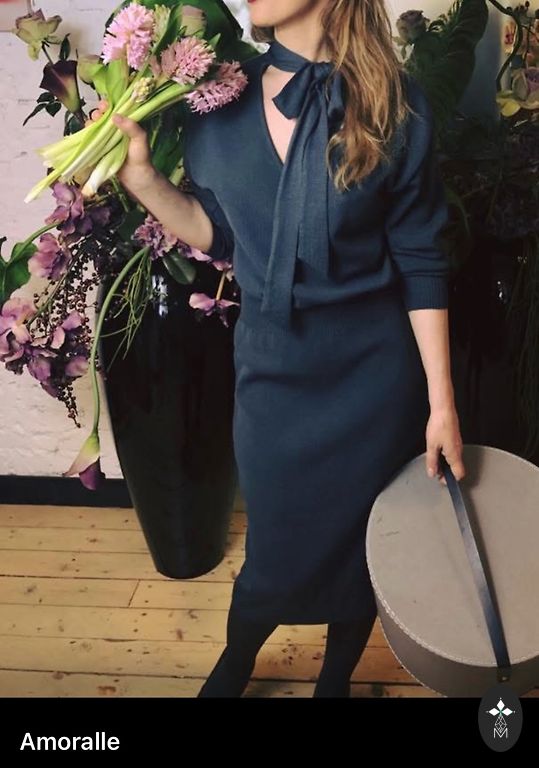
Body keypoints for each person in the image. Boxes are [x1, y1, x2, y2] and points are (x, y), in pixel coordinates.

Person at [105, 0, 466, 698]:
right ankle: (238, 660)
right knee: (273, 547)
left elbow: (421, 258)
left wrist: (441, 404)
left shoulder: (397, 105)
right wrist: (143, 178)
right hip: (273, 369)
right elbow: (223, 236)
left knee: (360, 549)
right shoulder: (218, 102)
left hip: (373, 376)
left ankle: (336, 679)